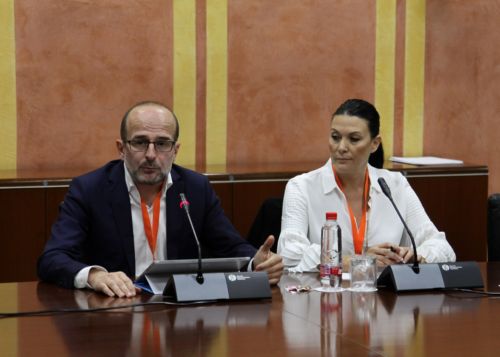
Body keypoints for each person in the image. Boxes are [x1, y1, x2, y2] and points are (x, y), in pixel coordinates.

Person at [38, 101, 283, 296]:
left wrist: (257, 263)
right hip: (115, 310)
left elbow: (230, 246)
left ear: (175, 150)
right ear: (121, 148)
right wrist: (95, 276)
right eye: (140, 142)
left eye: (162, 144)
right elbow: (52, 258)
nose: (151, 155)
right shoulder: (89, 189)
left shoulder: (196, 189)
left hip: (178, 314)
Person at [277, 98, 456, 272]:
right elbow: (288, 254)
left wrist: (416, 256)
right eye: (335, 137)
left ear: (374, 144)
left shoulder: (395, 185)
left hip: (386, 299)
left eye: (353, 139)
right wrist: (356, 261)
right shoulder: (301, 187)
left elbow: (443, 248)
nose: (341, 147)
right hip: (327, 297)